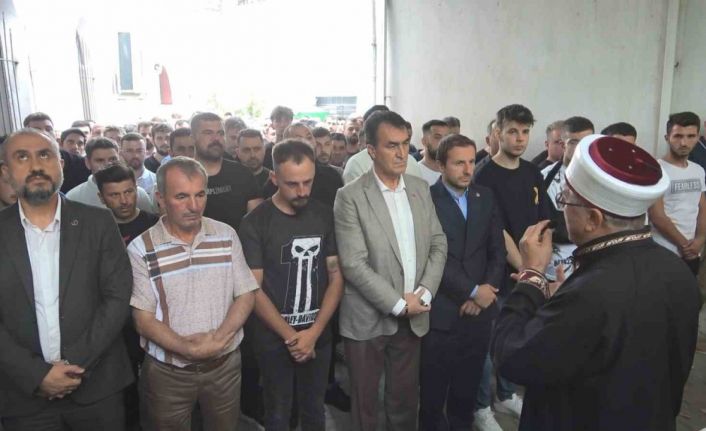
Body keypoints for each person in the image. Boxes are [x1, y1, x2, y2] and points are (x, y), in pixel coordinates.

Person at [492, 134, 701, 431]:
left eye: (565, 200)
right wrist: (560, 304)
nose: (561, 209)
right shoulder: (677, 271)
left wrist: (532, 275)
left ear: (593, 218)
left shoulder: (589, 293)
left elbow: (512, 357)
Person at [0, 128, 134, 430]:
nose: (36, 166)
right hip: (24, 396)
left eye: (44, 155)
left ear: (61, 164)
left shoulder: (98, 222)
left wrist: (73, 366)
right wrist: (37, 375)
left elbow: (118, 296)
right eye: (22, 157)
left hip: (97, 389)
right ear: (6, 171)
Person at [334, 110, 447, 431]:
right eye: (391, 145)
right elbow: (353, 262)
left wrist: (424, 293)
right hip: (367, 318)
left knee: (405, 401)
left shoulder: (419, 188)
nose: (401, 154)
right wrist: (399, 304)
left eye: (405, 144)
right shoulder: (350, 196)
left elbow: (438, 243)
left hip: (414, 314)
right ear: (371, 150)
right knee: (365, 405)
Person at [129, 157, 258, 430]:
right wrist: (189, 349)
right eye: (182, 196)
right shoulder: (141, 248)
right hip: (168, 374)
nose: (194, 206)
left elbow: (246, 293)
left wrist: (218, 341)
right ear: (160, 198)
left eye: (200, 194)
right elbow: (143, 320)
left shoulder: (226, 235)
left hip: (224, 367)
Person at [240, 140, 344, 431]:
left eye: (308, 182)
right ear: (274, 178)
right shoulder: (255, 223)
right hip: (273, 339)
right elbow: (253, 289)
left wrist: (314, 333)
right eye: (292, 184)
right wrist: (292, 337)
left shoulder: (324, 214)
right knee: (278, 412)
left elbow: (336, 277)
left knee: (314, 410)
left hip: (318, 334)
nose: (302, 191)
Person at [420, 134, 506, 430]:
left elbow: (497, 250)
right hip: (442, 312)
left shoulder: (485, 196)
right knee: (432, 394)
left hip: (479, 314)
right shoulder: (426, 200)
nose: (468, 169)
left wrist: (485, 291)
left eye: (471, 161)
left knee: (466, 392)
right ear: (441, 165)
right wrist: (471, 291)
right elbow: (432, 257)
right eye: (459, 163)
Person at [473, 104, 550, 423]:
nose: (520, 139)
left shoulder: (532, 172)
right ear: (498, 133)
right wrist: (526, 268)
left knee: (516, 337)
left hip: (528, 271)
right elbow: (497, 230)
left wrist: (537, 267)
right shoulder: (484, 174)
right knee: (489, 343)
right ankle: (481, 407)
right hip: (498, 273)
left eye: (525, 132)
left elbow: (544, 219)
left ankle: (505, 396)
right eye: (513, 131)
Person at [649, 112, 706, 275]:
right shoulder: (656, 169)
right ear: (667, 137)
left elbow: (702, 208)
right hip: (664, 250)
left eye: (690, 136)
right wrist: (686, 246)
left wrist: (700, 239)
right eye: (678, 136)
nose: (684, 143)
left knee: (690, 290)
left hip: (693, 250)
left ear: (697, 138)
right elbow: (657, 216)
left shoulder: (698, 170)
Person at [540, 116, 595, 282]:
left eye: (585, 142)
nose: (580, 148)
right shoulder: (544, 177)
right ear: (563, 144)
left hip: (592, 266)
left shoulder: (602, 179)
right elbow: (542, 223)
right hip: (554, 269)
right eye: (574, 142)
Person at [191, 112, 263, 231]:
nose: (216, 139)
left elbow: (257, 224)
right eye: (208, 133)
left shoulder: (243, 174)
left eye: (220, 133)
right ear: (193, 137)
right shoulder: (181, 176)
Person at [263, 123, 343, 208]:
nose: (306, 142)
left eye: (309, 137)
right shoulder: (276, 182)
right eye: (299, 139)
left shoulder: (331, 176)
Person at [66, 138, 155, 212]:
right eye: (100, 160)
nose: (107, 164)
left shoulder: (139, 194)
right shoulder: (73, 198)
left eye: (112, 159)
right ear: (88, 163)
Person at [23, 112, 90, 193]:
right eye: (37, 129)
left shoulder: (76, 162)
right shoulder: (19, 162)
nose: (44, 133)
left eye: (48, 129)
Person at [417, 119, 451, 185]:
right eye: (437, 137)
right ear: (424, 141)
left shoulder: (454, 172)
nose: (443, 142)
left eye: (446, 138)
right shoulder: (415, 173)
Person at [264, 106, 295, 170]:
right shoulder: (267, 150)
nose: (282, 125)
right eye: (278, 121)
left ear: (291, 122)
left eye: (286, 120)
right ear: (272, 124)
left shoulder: (298, 148)